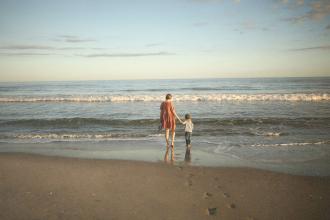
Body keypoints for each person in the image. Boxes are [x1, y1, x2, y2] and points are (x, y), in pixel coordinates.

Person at [160, 94, 182, 161]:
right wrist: (179, 118)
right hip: (171, 118)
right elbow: (173, 112)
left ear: (166, 97)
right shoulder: (171, 103)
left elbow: (161, 112)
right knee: (173, 130)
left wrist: (160, 119)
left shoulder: (162, 103)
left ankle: (167, 143)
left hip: (165, 118)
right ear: (170, 98)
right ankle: (172, 142)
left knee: (166, 131)